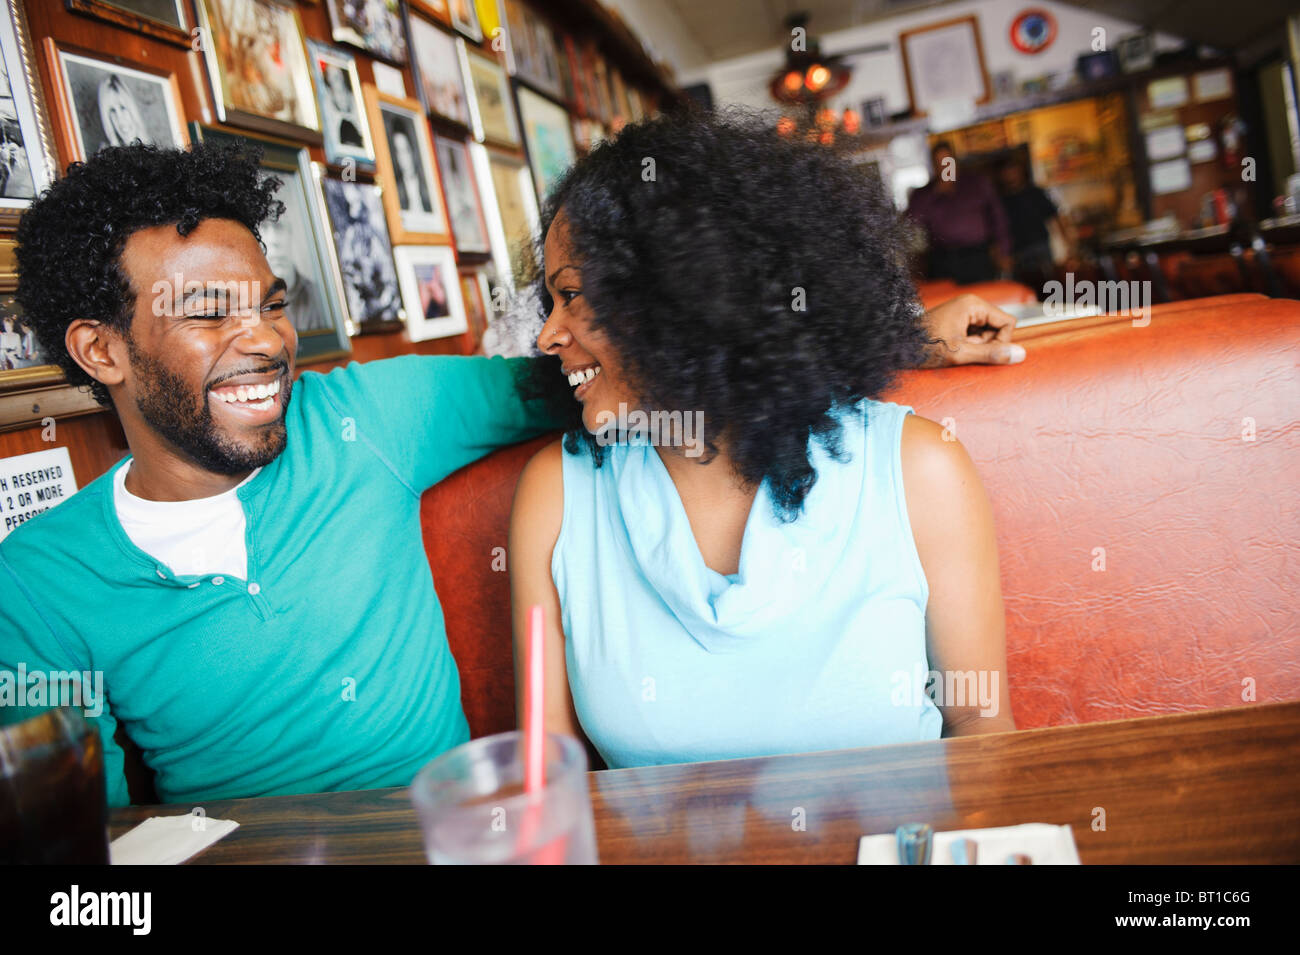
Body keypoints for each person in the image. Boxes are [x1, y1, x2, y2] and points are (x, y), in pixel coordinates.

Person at [0, 141, 565, 807]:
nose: (269, 341)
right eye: (210, 312)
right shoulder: (38, 580)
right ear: (101, 350)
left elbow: (584, 380)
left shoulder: (365, 417)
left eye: (270, 304)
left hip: (442, 839)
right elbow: (81, 844)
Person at [508, 111, 1017, 774]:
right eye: (549, 300)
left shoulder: (919, 469)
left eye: (572, 295)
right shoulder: (557, 494)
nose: (547, 335)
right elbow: (548, 775)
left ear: (681, 289)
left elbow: (979, 720)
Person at [907, 141, 1012, 284]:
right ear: (933, 165)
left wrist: (1003, 251)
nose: (944, 167)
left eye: (947, 161)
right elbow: (912, 220)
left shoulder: (976, 183)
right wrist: (935, 192)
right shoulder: (924, 194)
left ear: (955, 161)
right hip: (943, 259)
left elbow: (998, 218)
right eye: (939, 163)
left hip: (977, 255)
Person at [997, 156, 1073, 294]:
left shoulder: (1035, 193)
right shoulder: (1000, 201)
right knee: (1027, 292)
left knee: (1050, 288)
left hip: (1041, 249)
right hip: (1017, 254)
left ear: (1021, 171)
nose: (1011, 174)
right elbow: (997, 230)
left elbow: (1056, 218)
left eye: (1013, 169)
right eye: (1007, 171)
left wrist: (1068, 245)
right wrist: (1003, 256)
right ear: (1002, 175)